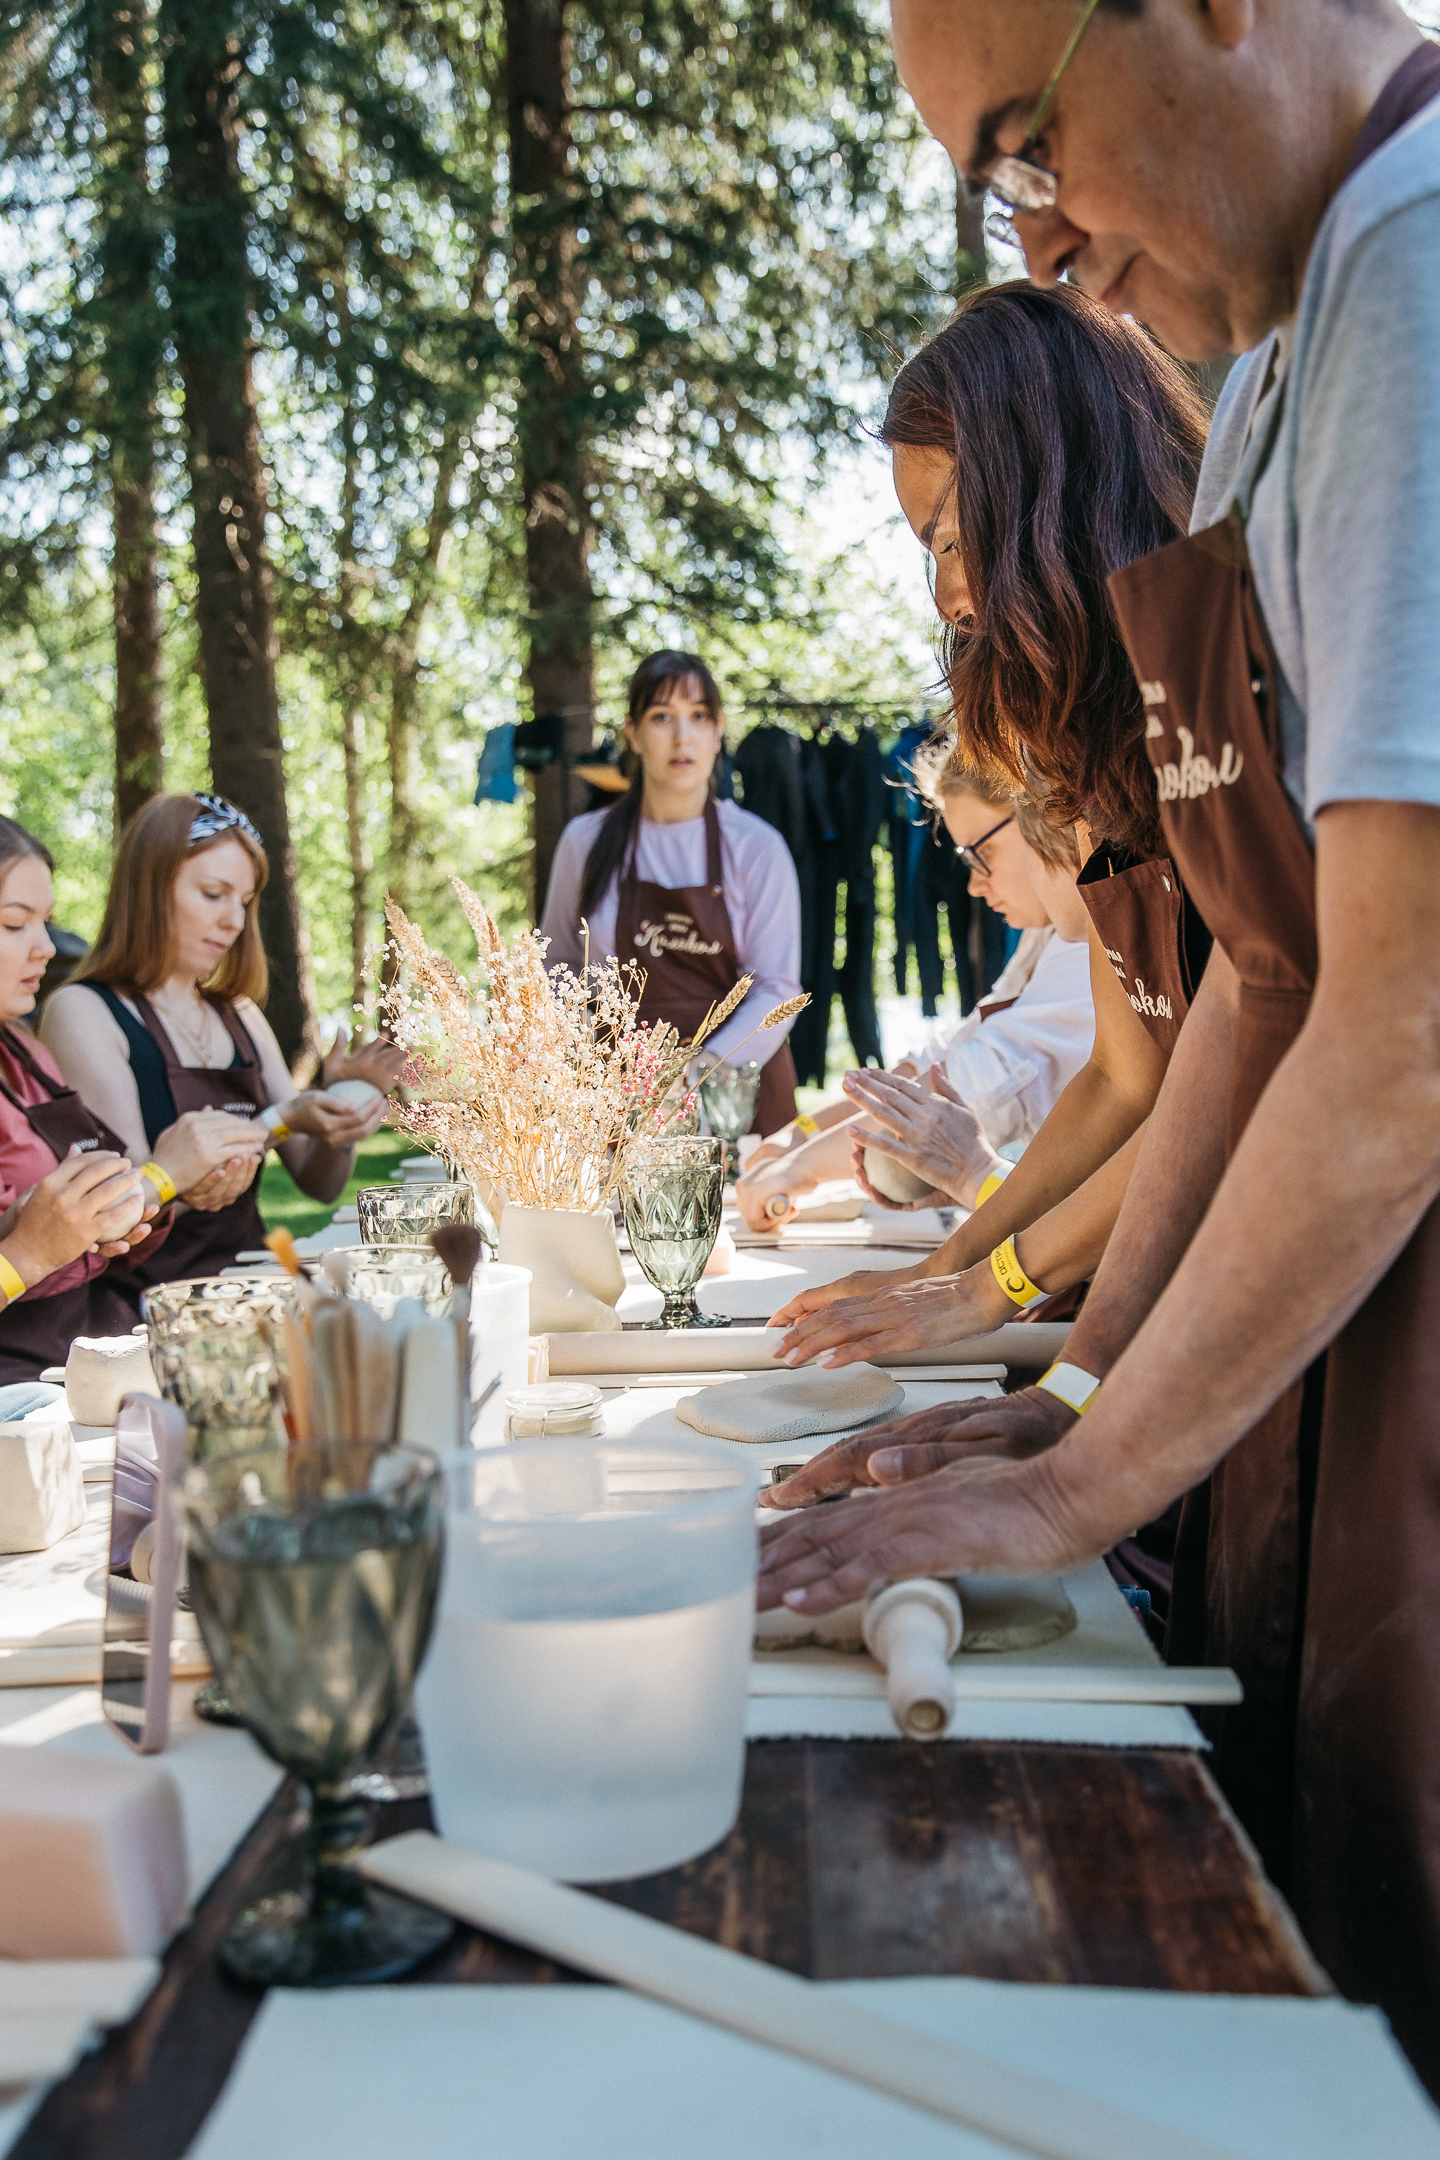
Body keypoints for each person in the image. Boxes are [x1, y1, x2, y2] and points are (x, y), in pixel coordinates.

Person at [761, 0, 1440, 2091]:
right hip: (1319, 1388)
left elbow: (1407, 1026)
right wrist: (1071, 1394)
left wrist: (1085, 1488)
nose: (1043, 243)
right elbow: (1266, 974)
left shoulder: (1419, 274)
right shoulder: (1264, 385)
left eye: (1030, 145)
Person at [767, 284, 1210, 1370]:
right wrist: (943, 1275)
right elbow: (1126, 1077)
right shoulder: (1110, 743)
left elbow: (1229, 1109)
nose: (947, 596)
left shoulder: (1215, 681)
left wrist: (990, 1288)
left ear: (1049, 491)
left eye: (955, 541)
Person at [42, 793, 401, 1287]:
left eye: (245, 901)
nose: (234, 921)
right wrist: (280, 1120)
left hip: (250, 1284)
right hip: (140, 1307)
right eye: (214, 893)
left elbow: (319, 1184)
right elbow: (123, 1206)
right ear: (148, 889)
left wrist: (342, 1116)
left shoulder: (239, 1015)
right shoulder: (85, 1011)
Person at [735, 756, 1095, 1227]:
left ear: (1040, 814)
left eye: (978, 854)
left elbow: (976, 1082)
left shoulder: (1085, 942)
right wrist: (800, 1135)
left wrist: (800, 1169)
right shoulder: (1049, 933)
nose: (973, 884)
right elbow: (950, 1052)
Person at [540, 651, 803, 1134]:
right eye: (662, 717)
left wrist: (703, 1071)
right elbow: (556, 969)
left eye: (698, 716)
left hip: (738, 1101)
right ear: (633, 733)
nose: (682, 737)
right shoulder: (585, 842)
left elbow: (777, 988)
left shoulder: (756, 847)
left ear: (717, 730)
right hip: (618, 1104)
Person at [0, 816, 165, 1396]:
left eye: (44, 922)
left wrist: (118, 1209)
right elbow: (27, 1249)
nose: (46, 948)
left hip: (94, 1352)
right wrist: (25, 1254)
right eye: (14, 924)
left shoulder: (23, 1049)